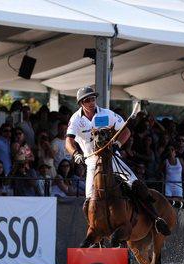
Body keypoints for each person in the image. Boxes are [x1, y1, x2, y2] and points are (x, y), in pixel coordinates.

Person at [65, 86, 170, 236]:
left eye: (93, 98)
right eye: (87, 100)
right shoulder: (76, 119)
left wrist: (117, 145)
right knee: (88, 201)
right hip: (92, 163)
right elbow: (68, 140)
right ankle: (94, 231)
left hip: (111, 159)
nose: (91, 102)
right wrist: (75, 154)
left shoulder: (107, 114)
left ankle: (156, 219)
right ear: (81, 103)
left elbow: (126, 131)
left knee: (136, 184)